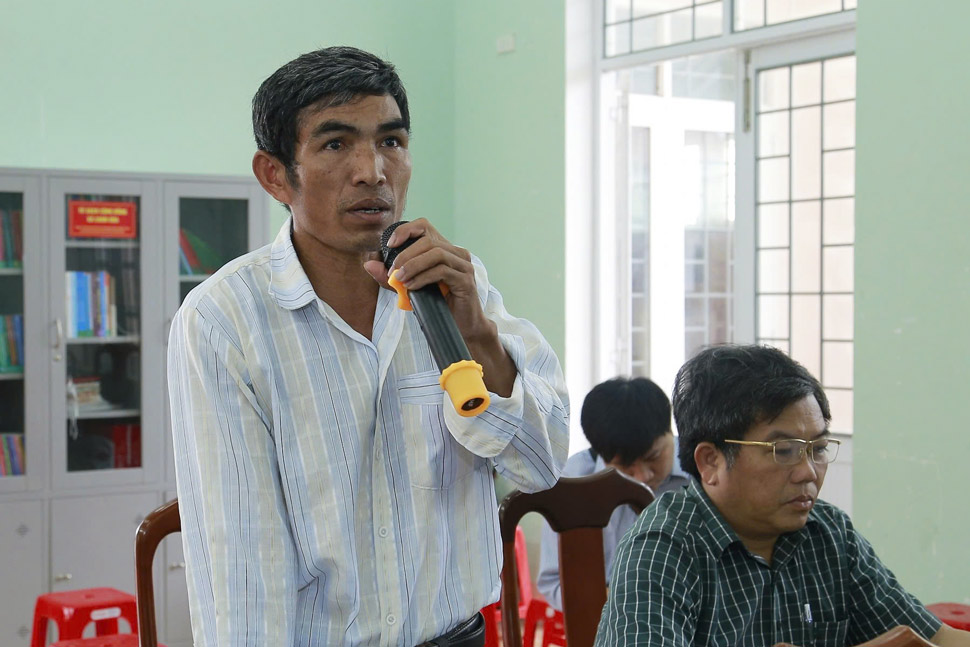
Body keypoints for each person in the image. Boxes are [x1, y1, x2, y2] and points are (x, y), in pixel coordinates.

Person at [167, 46, 569, 647]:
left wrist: (477, 332)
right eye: (336, 144)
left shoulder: (457, 286)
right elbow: (242, 566)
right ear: (275, 175)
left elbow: (540, 466)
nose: (373, 171)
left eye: (391, 142)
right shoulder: (225, 320)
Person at [594, 344, 970, 647]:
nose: (809, 472)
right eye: (784, 451)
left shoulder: (830, 534)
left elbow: (932, 638)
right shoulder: (663, 549)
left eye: (818, 449)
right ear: (711, 461)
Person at [535, 376, 688, 610]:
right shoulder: (571, 486)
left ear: (671, 431)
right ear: (601, 454)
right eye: (626, 467)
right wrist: (620, 602)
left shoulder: (703, 471)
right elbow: (554, 583)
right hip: (605, 615)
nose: (643, 477)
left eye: (654, 457)